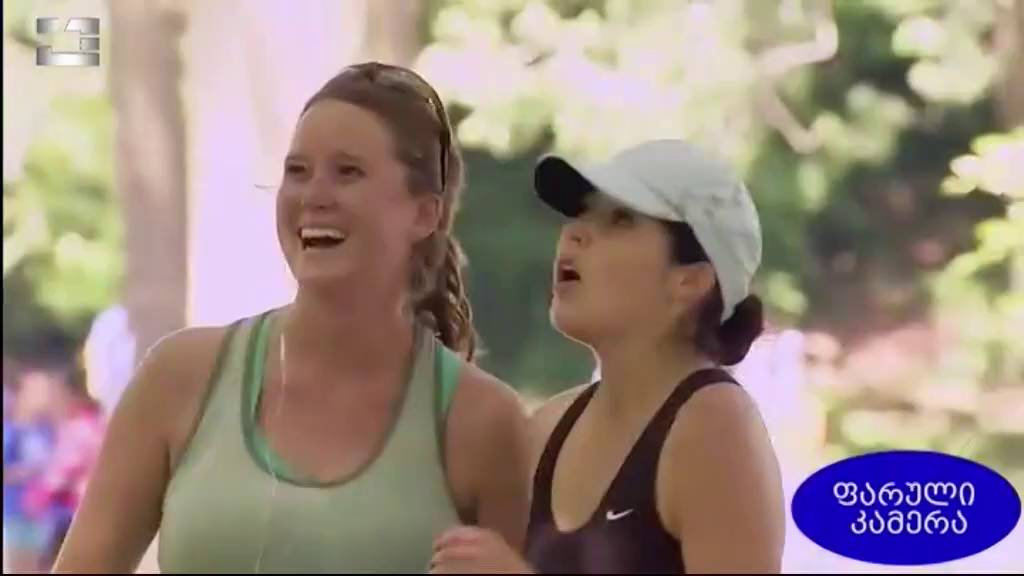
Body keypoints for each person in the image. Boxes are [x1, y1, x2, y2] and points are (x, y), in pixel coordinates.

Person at [53, 62, 531, 574]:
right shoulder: (180, 376)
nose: (313, 196)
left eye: (348, 172)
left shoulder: (483, 422)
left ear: (423, 214)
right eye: (297, 171)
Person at [431, 140, 785, 573]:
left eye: (621, 219)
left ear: (690, 281)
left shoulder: (715, 428)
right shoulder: (546, 427)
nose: (574, 233)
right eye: (581, 213)